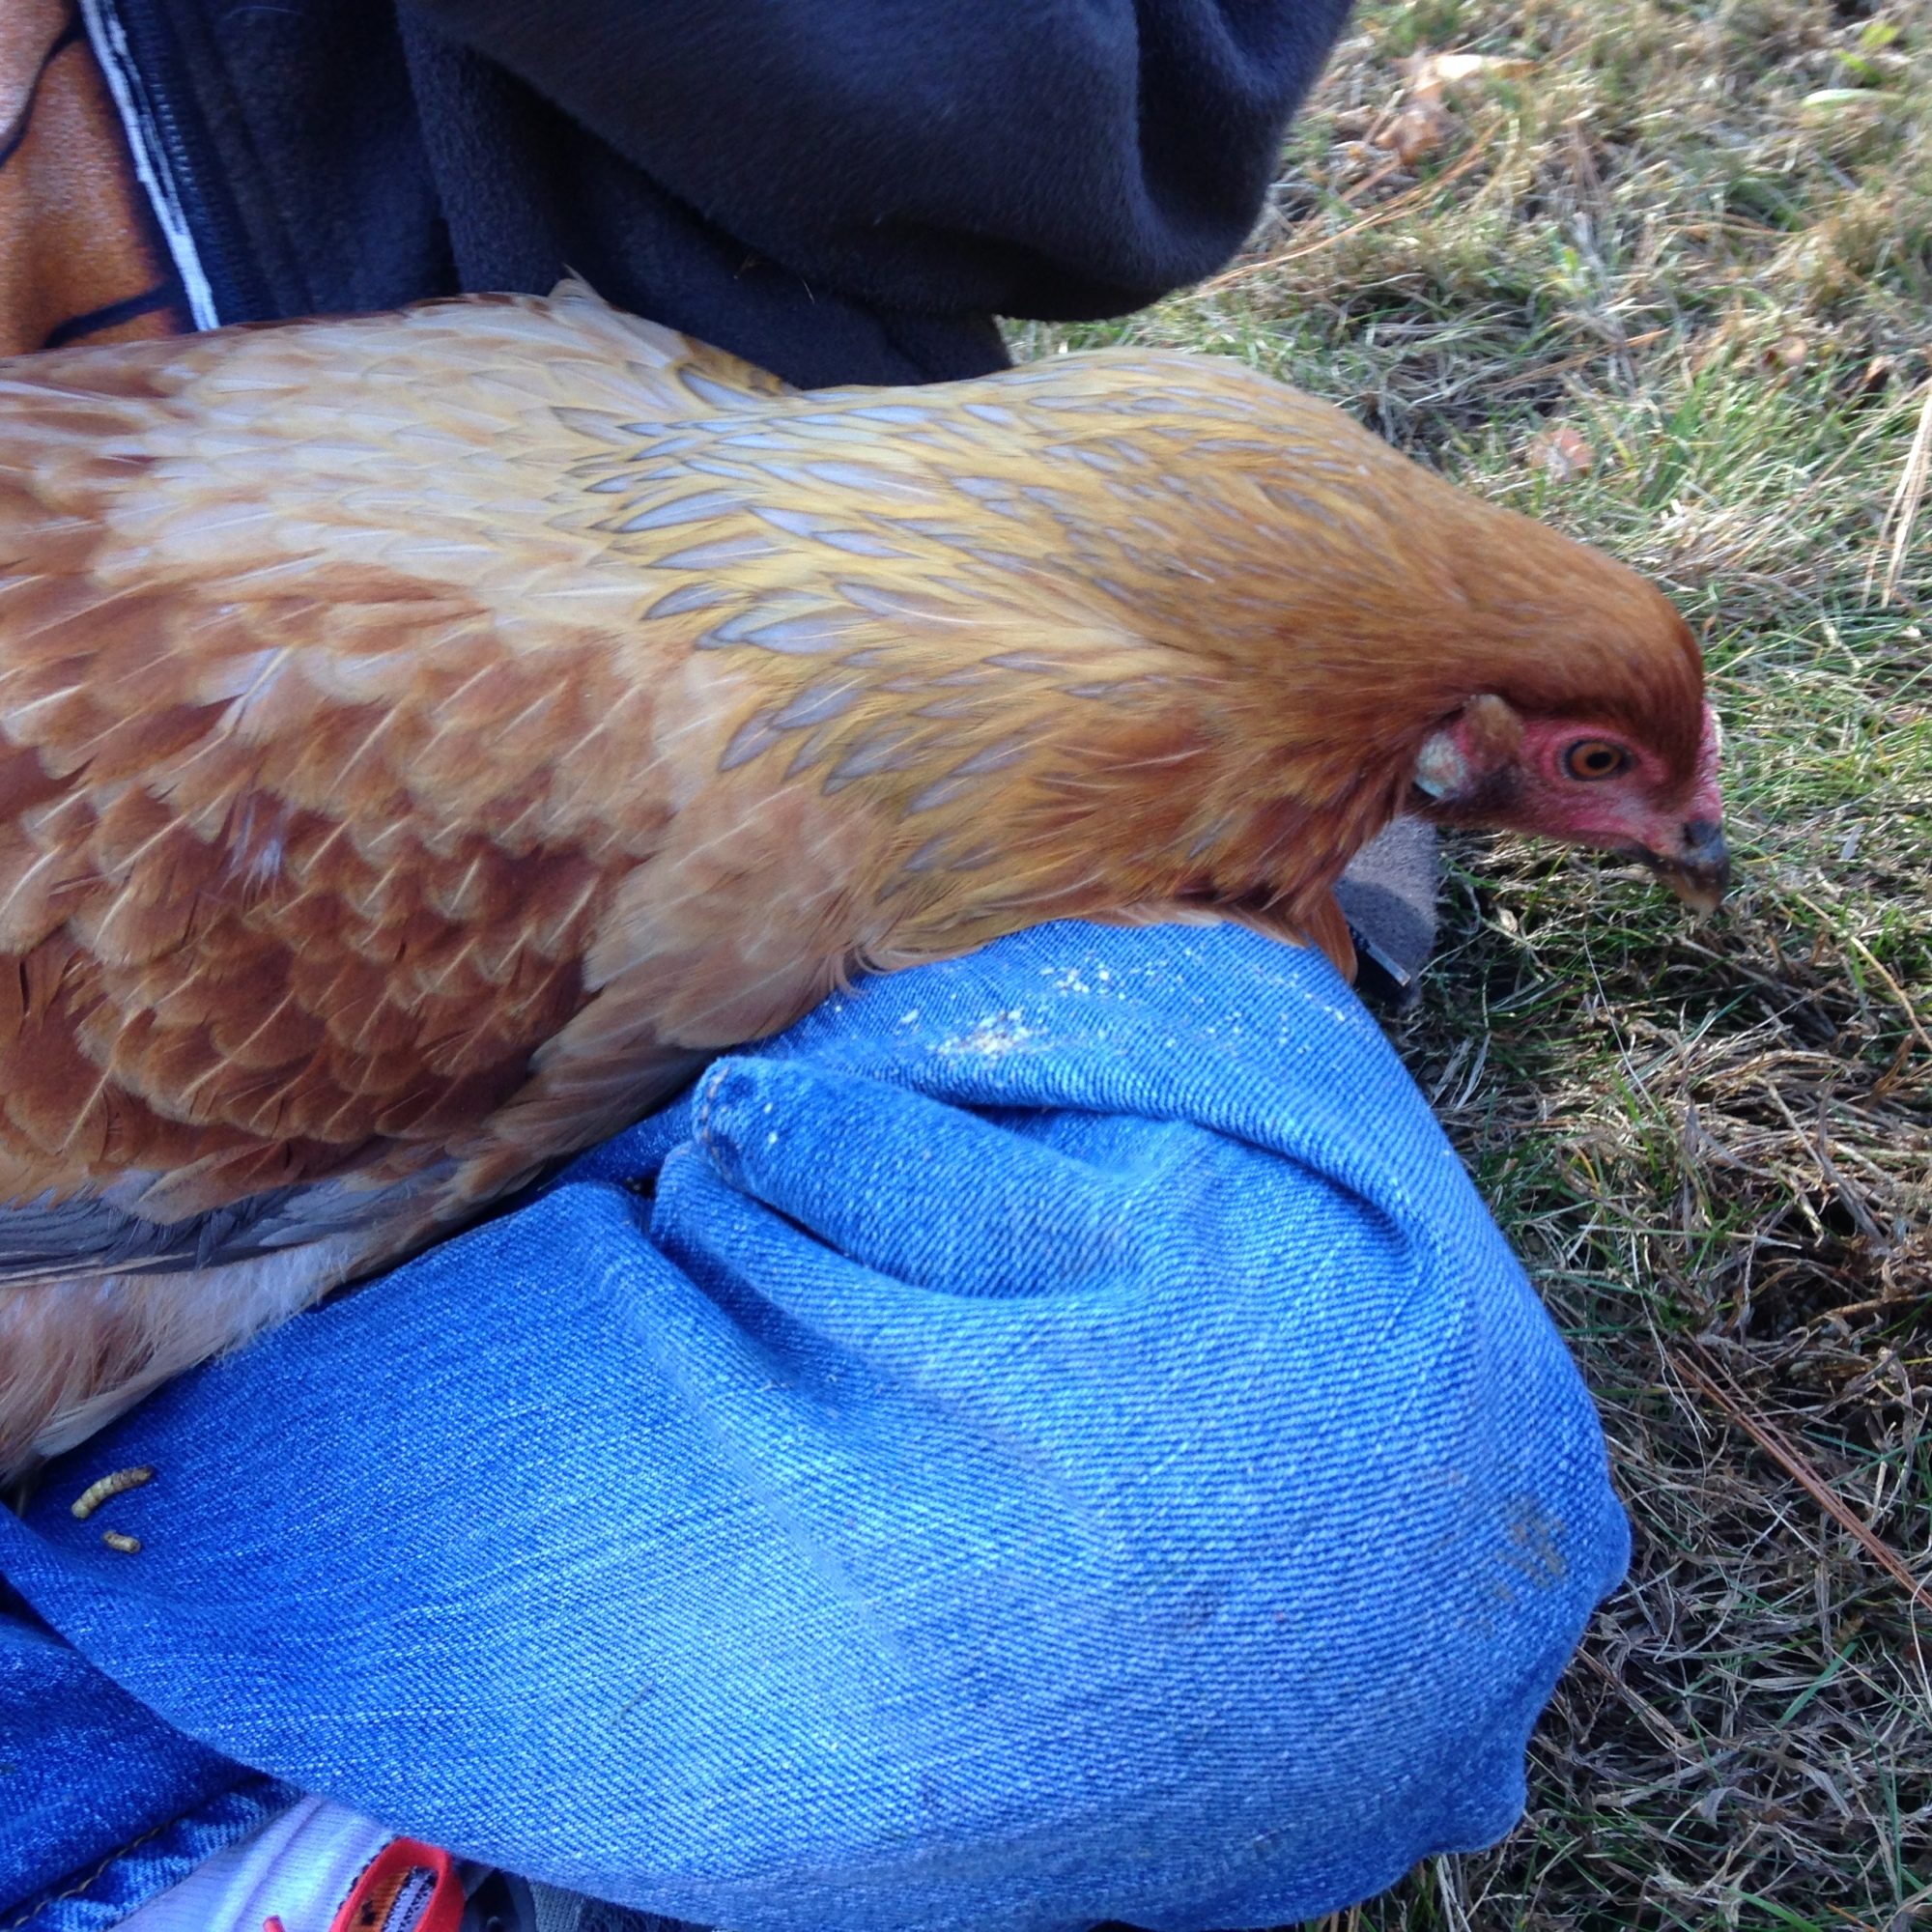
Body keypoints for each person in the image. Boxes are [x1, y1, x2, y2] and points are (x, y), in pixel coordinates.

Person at [0, 6, 1630, 1928]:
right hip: (235, 1104)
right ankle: (414, 1763)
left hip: (814, 799)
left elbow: (1118, 111)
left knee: (1290, 1497)